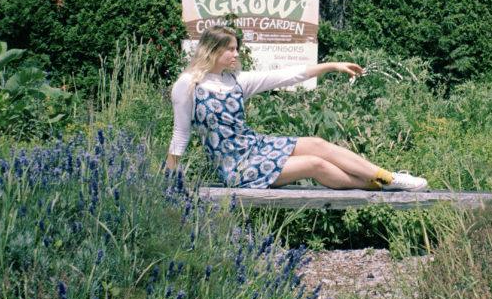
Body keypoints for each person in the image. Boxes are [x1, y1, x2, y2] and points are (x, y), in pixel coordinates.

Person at [165, 26, 428, 191]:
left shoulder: (236, 81)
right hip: (236, 167)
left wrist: (332, 65)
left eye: (237, 49)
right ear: (212, 51)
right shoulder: (188, 84)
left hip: (255, 146)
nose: (236, 54)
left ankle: (389, 177)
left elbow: (288, 75)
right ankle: (382, 185)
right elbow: (181, 135)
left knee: (317, 144)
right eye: (230, 50)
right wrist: (169, 178)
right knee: (315, 164)